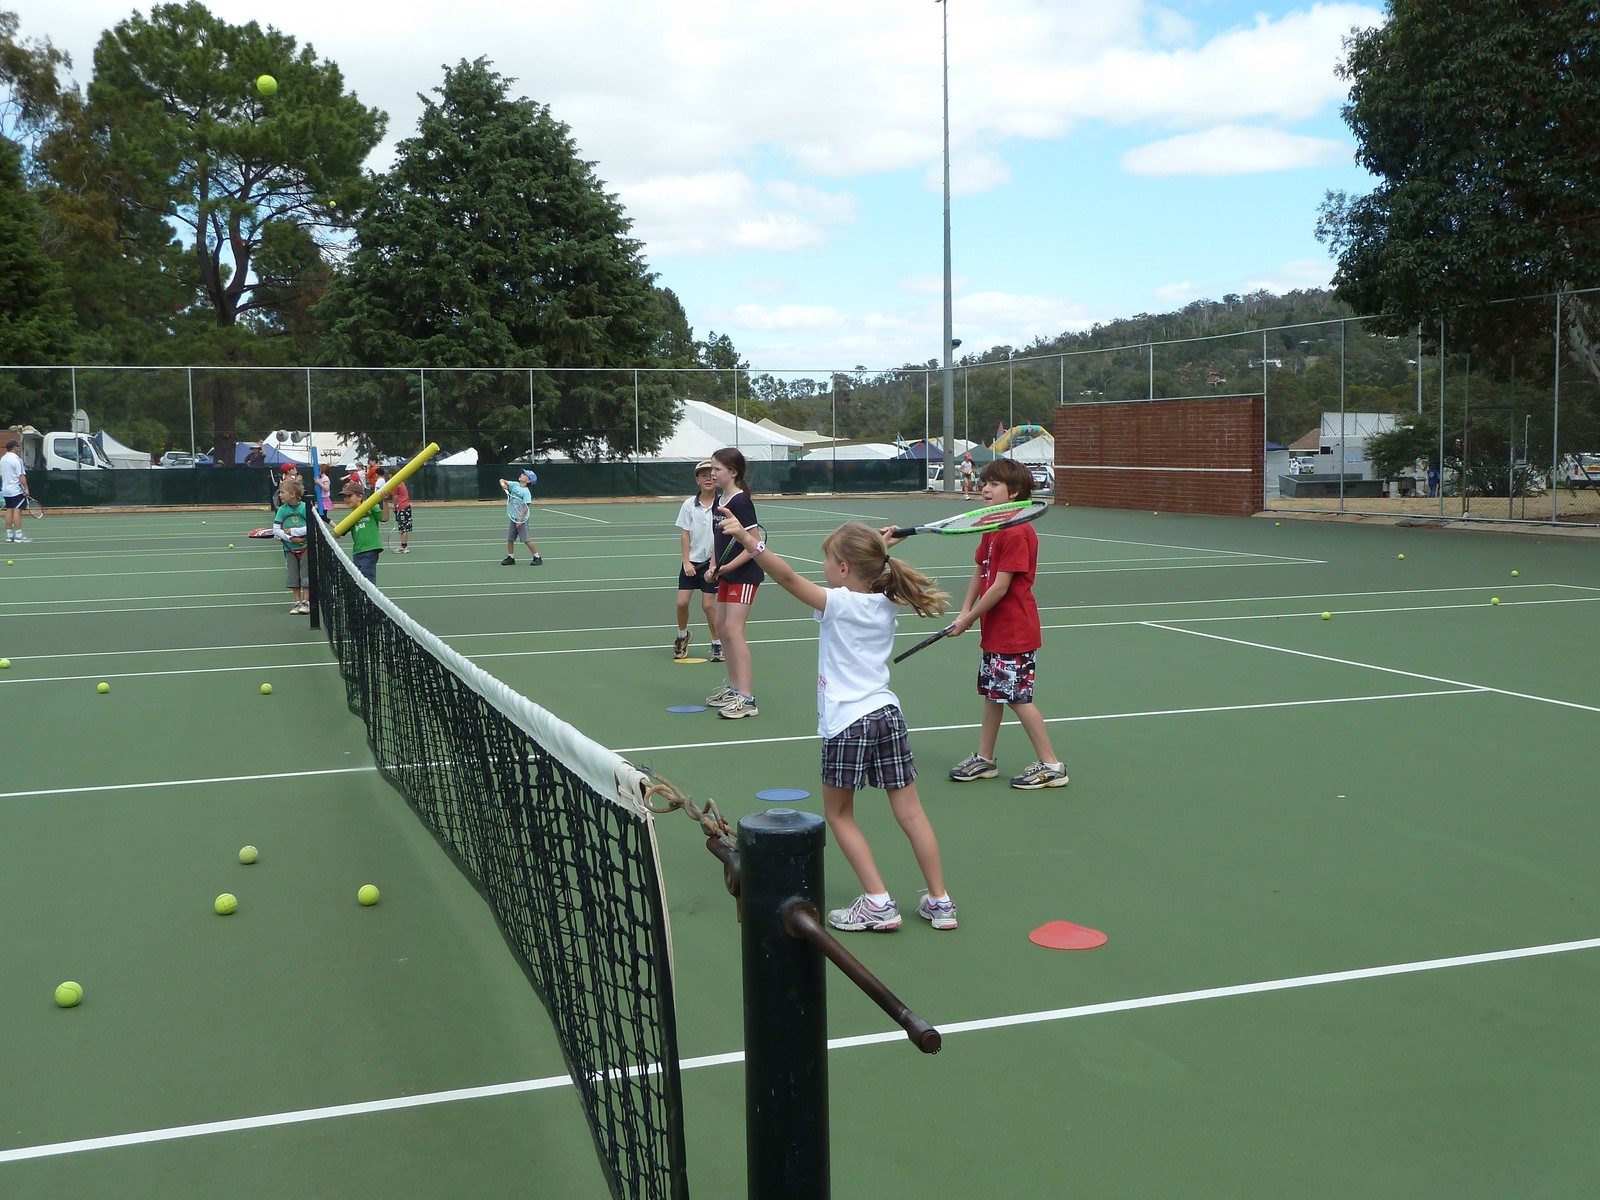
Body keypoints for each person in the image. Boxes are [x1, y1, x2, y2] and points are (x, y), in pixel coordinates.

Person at [718, 514, 958, 931]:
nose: (824, 566)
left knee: (840, 815)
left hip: (849, 722)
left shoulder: (840, 603)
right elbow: (870, 573)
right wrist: (878, 552)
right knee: (912, 813)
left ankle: (878, 903)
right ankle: (940, 902)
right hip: (887, 714)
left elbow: (788, 578)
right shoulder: (886, 600)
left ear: (844, 568)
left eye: (828, 560)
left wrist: (749, 541)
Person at [901, 457, 1068, 790]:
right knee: (993, 694)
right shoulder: (993, 527)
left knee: (1017, 697)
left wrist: (968, 619)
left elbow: (1001, 587)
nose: (985, 489)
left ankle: (1052, 765)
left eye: (994, 484)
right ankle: (985, 759)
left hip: (1015, 630)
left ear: (1014, 491)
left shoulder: (1017, 531)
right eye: (984, 483)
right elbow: (980, 570)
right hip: (994, 630)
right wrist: (963, 612)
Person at [704, 447, 762, 718]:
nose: (712, 473)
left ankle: (747, 698)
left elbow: (755, 545)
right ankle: (735, 689)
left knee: (733, 629)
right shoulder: (720, 500)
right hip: (726, 574)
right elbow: (718, 539)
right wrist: (714, 566)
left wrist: (728, 566)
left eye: (717, 469)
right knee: (722, 628)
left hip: (745, 575)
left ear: (733, 472)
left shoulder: (741, 503)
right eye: (711, 468)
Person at [672, 460, 722, 661]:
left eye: (711, 475)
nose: (708, 478)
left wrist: (714, 564)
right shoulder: (688, 505)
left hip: (713, 564)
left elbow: (723, 535)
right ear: (697, 480)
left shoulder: (724, 504)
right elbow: (685, 534)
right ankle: (682, 636)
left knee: (708, 606)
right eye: (703, 475)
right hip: (691, 563)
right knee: (681, 602)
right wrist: (686, 562)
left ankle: (717, 643)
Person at [339, 477, 389, 583]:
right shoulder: (352, 516)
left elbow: (385, 518)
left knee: (367, 579)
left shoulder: (371, 507)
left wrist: (385, 501)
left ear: (359, 496)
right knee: (358, 580)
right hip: (357, 552)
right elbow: (339, 532)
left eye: (349, 496)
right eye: (345, 497)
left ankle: (369, 594)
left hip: (370, 550)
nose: (346, 499)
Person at [273, 476, 311, 614]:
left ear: (293, 494)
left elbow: (311, 527)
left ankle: (306, 602)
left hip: (306, 548)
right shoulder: (282, 510)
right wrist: (291, 538)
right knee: (293, 575)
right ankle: (297, 602)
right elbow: (276, 530)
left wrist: (295, 532)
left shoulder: (305, 507)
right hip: (289, 549)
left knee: (306, 574)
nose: (280, 495)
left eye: (282, 492)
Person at [499, 469, 541, 565]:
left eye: (525, 474)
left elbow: (525, 508)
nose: (521, 474)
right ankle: (511, 557)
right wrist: (503, 485)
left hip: (522, 519)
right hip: (513, 517)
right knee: (510, 539)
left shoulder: (526, 492)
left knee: (526, 540)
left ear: (528, 480)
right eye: (522, 473)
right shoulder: (514, 485)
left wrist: (520, 521)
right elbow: (502, 480)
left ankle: (537, 557)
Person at [2, 437, 30, 544]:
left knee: (9, 510)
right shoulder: (17, 459)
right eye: (17, 446)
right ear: (13, 447)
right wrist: (26, 488)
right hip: (16, 490)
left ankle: (9, 535)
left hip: (6, 490)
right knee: (17, 511)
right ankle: (19, 535)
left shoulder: (3, 459)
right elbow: (21, 475)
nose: (19, 448)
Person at [388, 474, 413, 552]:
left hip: (402, 508)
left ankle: (404, 547)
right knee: (405, 527)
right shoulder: (401, 482)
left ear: (391, 475)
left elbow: (395, 497)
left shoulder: (395, 483)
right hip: (407, 507)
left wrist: (395, 507)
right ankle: (404, 545)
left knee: (403, 528)